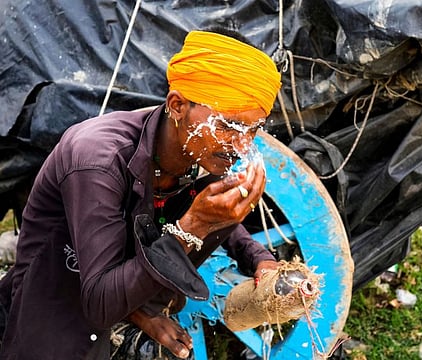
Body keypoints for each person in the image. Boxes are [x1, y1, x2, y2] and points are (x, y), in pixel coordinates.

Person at [0, 29, 282, 359]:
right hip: (59, 295)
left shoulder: (194, 148)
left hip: (119, 288)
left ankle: (137, 311)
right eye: (229, 126)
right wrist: (192, 228)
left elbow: (210, 208)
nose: (242, 146)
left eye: (253, 130)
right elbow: (100, 304)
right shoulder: (97, 160)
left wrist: (257, 256)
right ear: (177, 105)